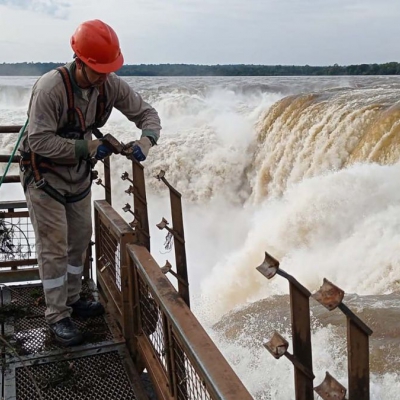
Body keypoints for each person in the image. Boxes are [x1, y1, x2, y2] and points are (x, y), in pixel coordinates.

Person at [19, 19, 161, 346]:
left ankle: (71, 300)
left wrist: (147, 140)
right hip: (45, 178)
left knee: (80, 237)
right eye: (98, 69)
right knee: (54, 244)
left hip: (77, 177)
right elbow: (38, 141)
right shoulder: (50, 88)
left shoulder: (108, 84)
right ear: (80, 61)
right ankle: (57, 316)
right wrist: (90, 147)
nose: (103, 77)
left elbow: (147, 114)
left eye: (107, 69)